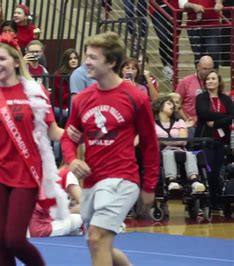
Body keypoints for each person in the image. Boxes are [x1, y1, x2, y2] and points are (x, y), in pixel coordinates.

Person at [0, 33, 69, 266]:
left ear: (16, 61)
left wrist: (74, 138)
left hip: (26, 173)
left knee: (15, 239)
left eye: (2, 59)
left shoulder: (35, 92)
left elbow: (52, 131)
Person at [60, 32, 159, 266]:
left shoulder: (136, 97)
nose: (87, 62)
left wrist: (150, 185)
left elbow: (149, 144)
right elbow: (68, 138)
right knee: (98, 244)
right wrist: (72, 160)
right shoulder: (83, 98)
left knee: (97, 238)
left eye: (93, 57)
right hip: (92, 181)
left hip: (122, 180)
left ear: (112, 62)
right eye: (87, 55)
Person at [195, 71, 233, 210]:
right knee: (209, 172)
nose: (210, 81)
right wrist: (224, 116)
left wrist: (216, 122)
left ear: (218, 81)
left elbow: (232, 116)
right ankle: (209, 201)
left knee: (218, 173)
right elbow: (203, 113)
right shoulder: (201, 97)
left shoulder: (226, 99)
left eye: (213, 78)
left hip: (221, 141)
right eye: (208, 79)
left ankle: (217, 201)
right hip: (205, 140)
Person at [152, 96, 205, 192]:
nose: (172, 106)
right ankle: (171, 180)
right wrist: (168, 141)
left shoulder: (179, 122)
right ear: (160, 106)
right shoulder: (152, 124)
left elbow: (183, 140)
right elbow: (153, 141)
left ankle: (194, 181)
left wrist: (162, 140)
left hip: (180, 149)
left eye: (172, 104)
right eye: (169, 103)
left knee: (190, 154)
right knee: (168, 154)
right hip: (163, 151)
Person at [29, 166, 83, 237]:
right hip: (44, 228)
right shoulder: (68, 174)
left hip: (33, 227)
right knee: (83, 217)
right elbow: (86, 206)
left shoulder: (55, 173)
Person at [175, 55, 214, 129]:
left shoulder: (214, 82)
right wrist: (187, 120)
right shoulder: (186, 81)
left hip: (208, 125)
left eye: (210, 69)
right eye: (204, 69)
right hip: (189, 125)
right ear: (198, 66)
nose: (207, 72)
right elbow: (176, 103)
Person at [182, 0, 223, 69]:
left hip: (212, 24)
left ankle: (213, 77)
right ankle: (200, 78)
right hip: (193, 25)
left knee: (214, 52)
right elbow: (182, 3)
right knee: (198, 57)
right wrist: (193, 6)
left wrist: (219, 3)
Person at [53, 48, 79, 121]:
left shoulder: (80, 74)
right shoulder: (59, 75)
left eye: (75, 58)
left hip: (75, 105)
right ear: (66, 61)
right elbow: (62, 97)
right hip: (61, 107)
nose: (73, 60)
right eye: (70, 59)